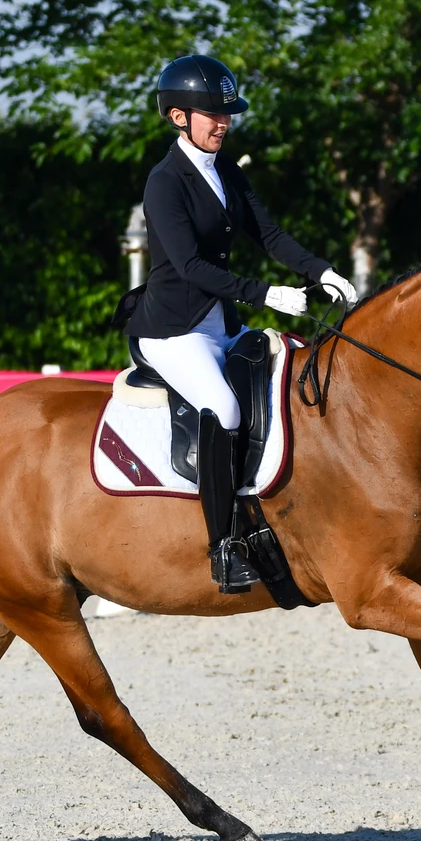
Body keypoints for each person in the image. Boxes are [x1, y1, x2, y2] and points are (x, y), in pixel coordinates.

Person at [124, 54, 358, 592]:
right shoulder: (165, 183)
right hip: (172, 331)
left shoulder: (226, 169)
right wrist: (265, 294)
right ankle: (223, 544)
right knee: (225, 407)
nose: (223, 122)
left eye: (227, 113)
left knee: (289, 377)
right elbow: (190, 267)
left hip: (219, 322)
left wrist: (321, 270)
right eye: (212, 113)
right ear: (178, 116)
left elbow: (270, 235)